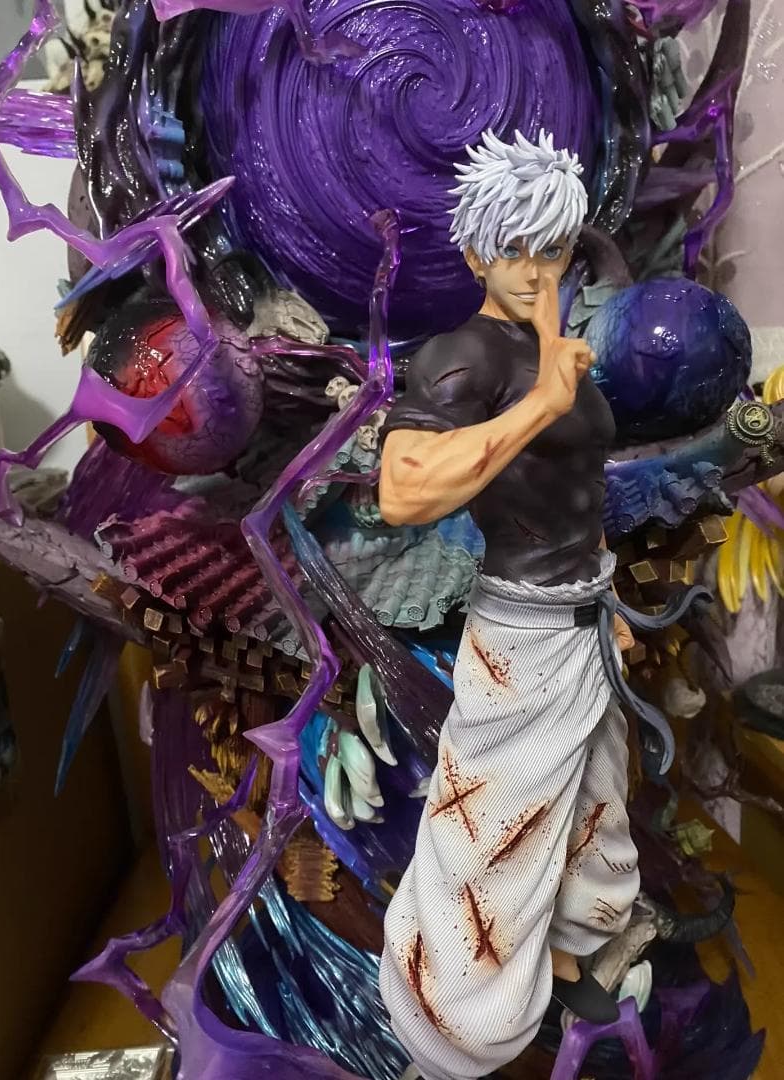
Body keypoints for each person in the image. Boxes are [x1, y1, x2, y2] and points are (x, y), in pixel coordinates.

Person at [377, 129, 640, 1080]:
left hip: (583, 616)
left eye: (553, 248)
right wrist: (535, 408)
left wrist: (607, 605)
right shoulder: (465, 355)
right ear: (476, 251)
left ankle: (573, 965)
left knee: (594, 811)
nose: (536, 270)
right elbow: (402, 489)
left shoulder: (553, 347)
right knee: (492, 830)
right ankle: (450, 1030)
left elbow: (581, 496)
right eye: (516, 248)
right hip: (520, 633)